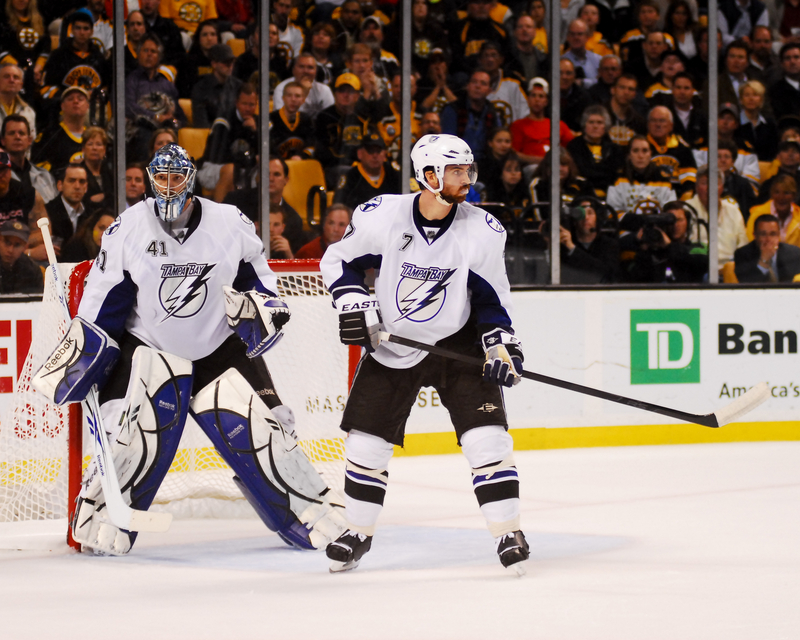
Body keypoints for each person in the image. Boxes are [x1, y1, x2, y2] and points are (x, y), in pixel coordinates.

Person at [32, 143, 345, 556]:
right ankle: (104, 510)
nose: (166, 187)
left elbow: (259, 280)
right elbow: (105, 306)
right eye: (158, 178)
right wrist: (84, 355)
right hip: (152, 347)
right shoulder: (128, 228)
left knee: (271, 427)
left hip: (218, 345)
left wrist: (262, 306)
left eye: (174, 178)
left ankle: (303, 514)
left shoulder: (229, 223)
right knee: (125, 433)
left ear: (191, 180)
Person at [319, 134, 529, 573]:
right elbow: (340, 261)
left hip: (458, 343)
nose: (466, 178)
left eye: (468, 170)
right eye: (455, 171)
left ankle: (508, 531)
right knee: (366, 443)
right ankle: (357, 532)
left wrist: (500, 344)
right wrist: (354, 303)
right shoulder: (382, 216)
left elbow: (491, 299)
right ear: (428, 175)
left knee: (487, 439)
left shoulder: (482, 230)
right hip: (394, 341)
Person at [626, 201, 709, 283]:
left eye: (679, 220)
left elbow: (704, 261)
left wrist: (669, 246)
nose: (675, 225)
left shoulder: (697, 248)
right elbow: (633, 279)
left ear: (688, 222)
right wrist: (643, 250)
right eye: (671, 221)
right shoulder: (653, 252)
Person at [686, 165, 748, 270]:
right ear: (696, 187)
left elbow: (743, 247)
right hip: (698, 269)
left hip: (730, 269)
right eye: (705, 183)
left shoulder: (733, 211)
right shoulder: (686, 210)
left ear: (722, 187)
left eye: (716, 183)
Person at [555, 196, 621, 284]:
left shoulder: (609, 244)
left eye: (590, 213)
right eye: (580, 213)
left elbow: (604, 273)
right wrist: (550, 244)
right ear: (574, 219)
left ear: (598, 218)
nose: (585, 218)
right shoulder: (565, 245)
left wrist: (573, 250)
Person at [607, 135, 677, 216]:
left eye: (645, 151)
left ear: (650, 154)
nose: (640, 156)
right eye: (635, 151)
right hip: (627, 228)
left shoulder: (663, 180)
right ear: (629, 155)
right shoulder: (618, 179)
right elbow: (612, 212)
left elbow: (671, 211)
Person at [440, 70, 501, 164]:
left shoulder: (492, 112)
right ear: (467, 86)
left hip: (485, 163)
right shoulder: (453, 109)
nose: (478, 86)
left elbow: (498, 139)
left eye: (483, 83)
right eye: (474, 82)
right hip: (457, 162)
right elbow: (448, 142)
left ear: (489, 90)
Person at [510, 78, 574, 165]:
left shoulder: (558, 125)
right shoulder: (518, 125)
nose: (537, 100)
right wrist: (543, 161)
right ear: (528, 100)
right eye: (533, 95)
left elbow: (573, 147)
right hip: (531, 166)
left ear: (546, 102)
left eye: (541, 96)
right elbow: (514, 154)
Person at [566, 105, 625, 198]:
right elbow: (582, 171)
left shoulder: (614, 149)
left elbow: (614, 174)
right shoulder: (574, 146)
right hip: (581, 193)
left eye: (599, 122)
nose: (595, 126)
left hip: (610, 194)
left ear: (605, 126)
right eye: (591, 122)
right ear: (584, 125)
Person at [333, 130, 402, 210]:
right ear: (360, 154)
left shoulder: (393, 175)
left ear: (384, 154)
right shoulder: (350, 177)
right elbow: (339, 206)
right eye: (371, 151)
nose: (375, 155)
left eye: (378, 151)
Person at [31, 86, 90, 175]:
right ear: (62, 106)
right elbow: (35, 168)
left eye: (80, 99)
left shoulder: (93, 136)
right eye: (70, 99)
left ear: (87, 106)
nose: (75, 101)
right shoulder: (49, 135)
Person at [0, 151, 48, 261]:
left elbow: (43, 232)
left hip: (21, 259)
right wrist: (28, 253)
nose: (0, 175)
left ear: (10, 170)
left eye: (3, 169)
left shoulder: (28, 194)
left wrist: (14, 249)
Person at [1, 114, 57, 204]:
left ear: (29, 140)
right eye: (12, 133)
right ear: (2, 140)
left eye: (21, 133)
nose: (17, 137)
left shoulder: (45, 177)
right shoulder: (1, 176)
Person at [647, 105, 697, 198]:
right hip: (647, 197)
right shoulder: (641, 147)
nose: (658, 124)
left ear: (671, 125)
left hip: (677, 200)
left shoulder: (683, 149)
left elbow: (689, 181)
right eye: (654, 120)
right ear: (648, 124)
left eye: (662, 120)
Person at [734, 213, 800, 282]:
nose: (768, 239)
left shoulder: (794, 254)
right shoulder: (742, 255)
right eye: (763, 234)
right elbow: (748, 285)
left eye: (773, 234)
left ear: (779, 236)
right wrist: (764, 261)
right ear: (755, 236)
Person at [190, 43, 242, 129]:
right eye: (225, 62)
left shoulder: (239, 86)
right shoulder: (201, 88)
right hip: (211, 136)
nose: (230, 66)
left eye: (232, 62)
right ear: (214, 64)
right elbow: (201, 124)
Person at [273, 53, 336, 119]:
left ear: (315, 71)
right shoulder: (282, 88)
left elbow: (331, 117)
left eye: (310, 67)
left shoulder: (324, 90)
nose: (306, 71)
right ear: (293, 70)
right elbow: (283, 119)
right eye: (301, 67)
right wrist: (304, 93)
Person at [44, 163, 90, 247]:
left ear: (86, 187)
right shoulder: (46, 212)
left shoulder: (92, 214)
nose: (77, 186)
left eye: (82, 182)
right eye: (71, 181)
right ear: (60, 185)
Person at [747, 174, 800, 247]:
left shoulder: (799, 215)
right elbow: (752, 244)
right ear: (771, 194)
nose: (781, 197)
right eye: (777, 192)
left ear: (794, 195)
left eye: (786, 193)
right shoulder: (757, 214)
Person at [269, 81, 317, 160]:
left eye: (297, 96)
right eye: (289, 95)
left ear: (303, 100)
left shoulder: (307, 120)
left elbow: (312, 146)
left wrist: (301, 156)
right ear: (283, 98)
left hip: (299, 167)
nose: (293, 99)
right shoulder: (271, 119)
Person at [0, 220, 43, 294]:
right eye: (7, 242)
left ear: (25, 247)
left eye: (17, 245)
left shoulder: (32, 271)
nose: (10, 250)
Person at [80, 127, 114, 211]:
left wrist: (104, 196)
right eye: (90, 144)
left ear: (104, 150)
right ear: (83, 149)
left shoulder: (111, 172)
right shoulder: (78, 172)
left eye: (99, 144)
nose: (94, 148)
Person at [0, 64, 37, 141]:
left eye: (16, 77)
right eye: (6, 76)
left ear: (21, 85)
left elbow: (29, 144)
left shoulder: (28, 112)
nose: (11, 80)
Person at [769, 43, 800, 122]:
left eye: (796, 57)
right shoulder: (775, 91)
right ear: (782, 64)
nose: (792, 62)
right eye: (787, 58)